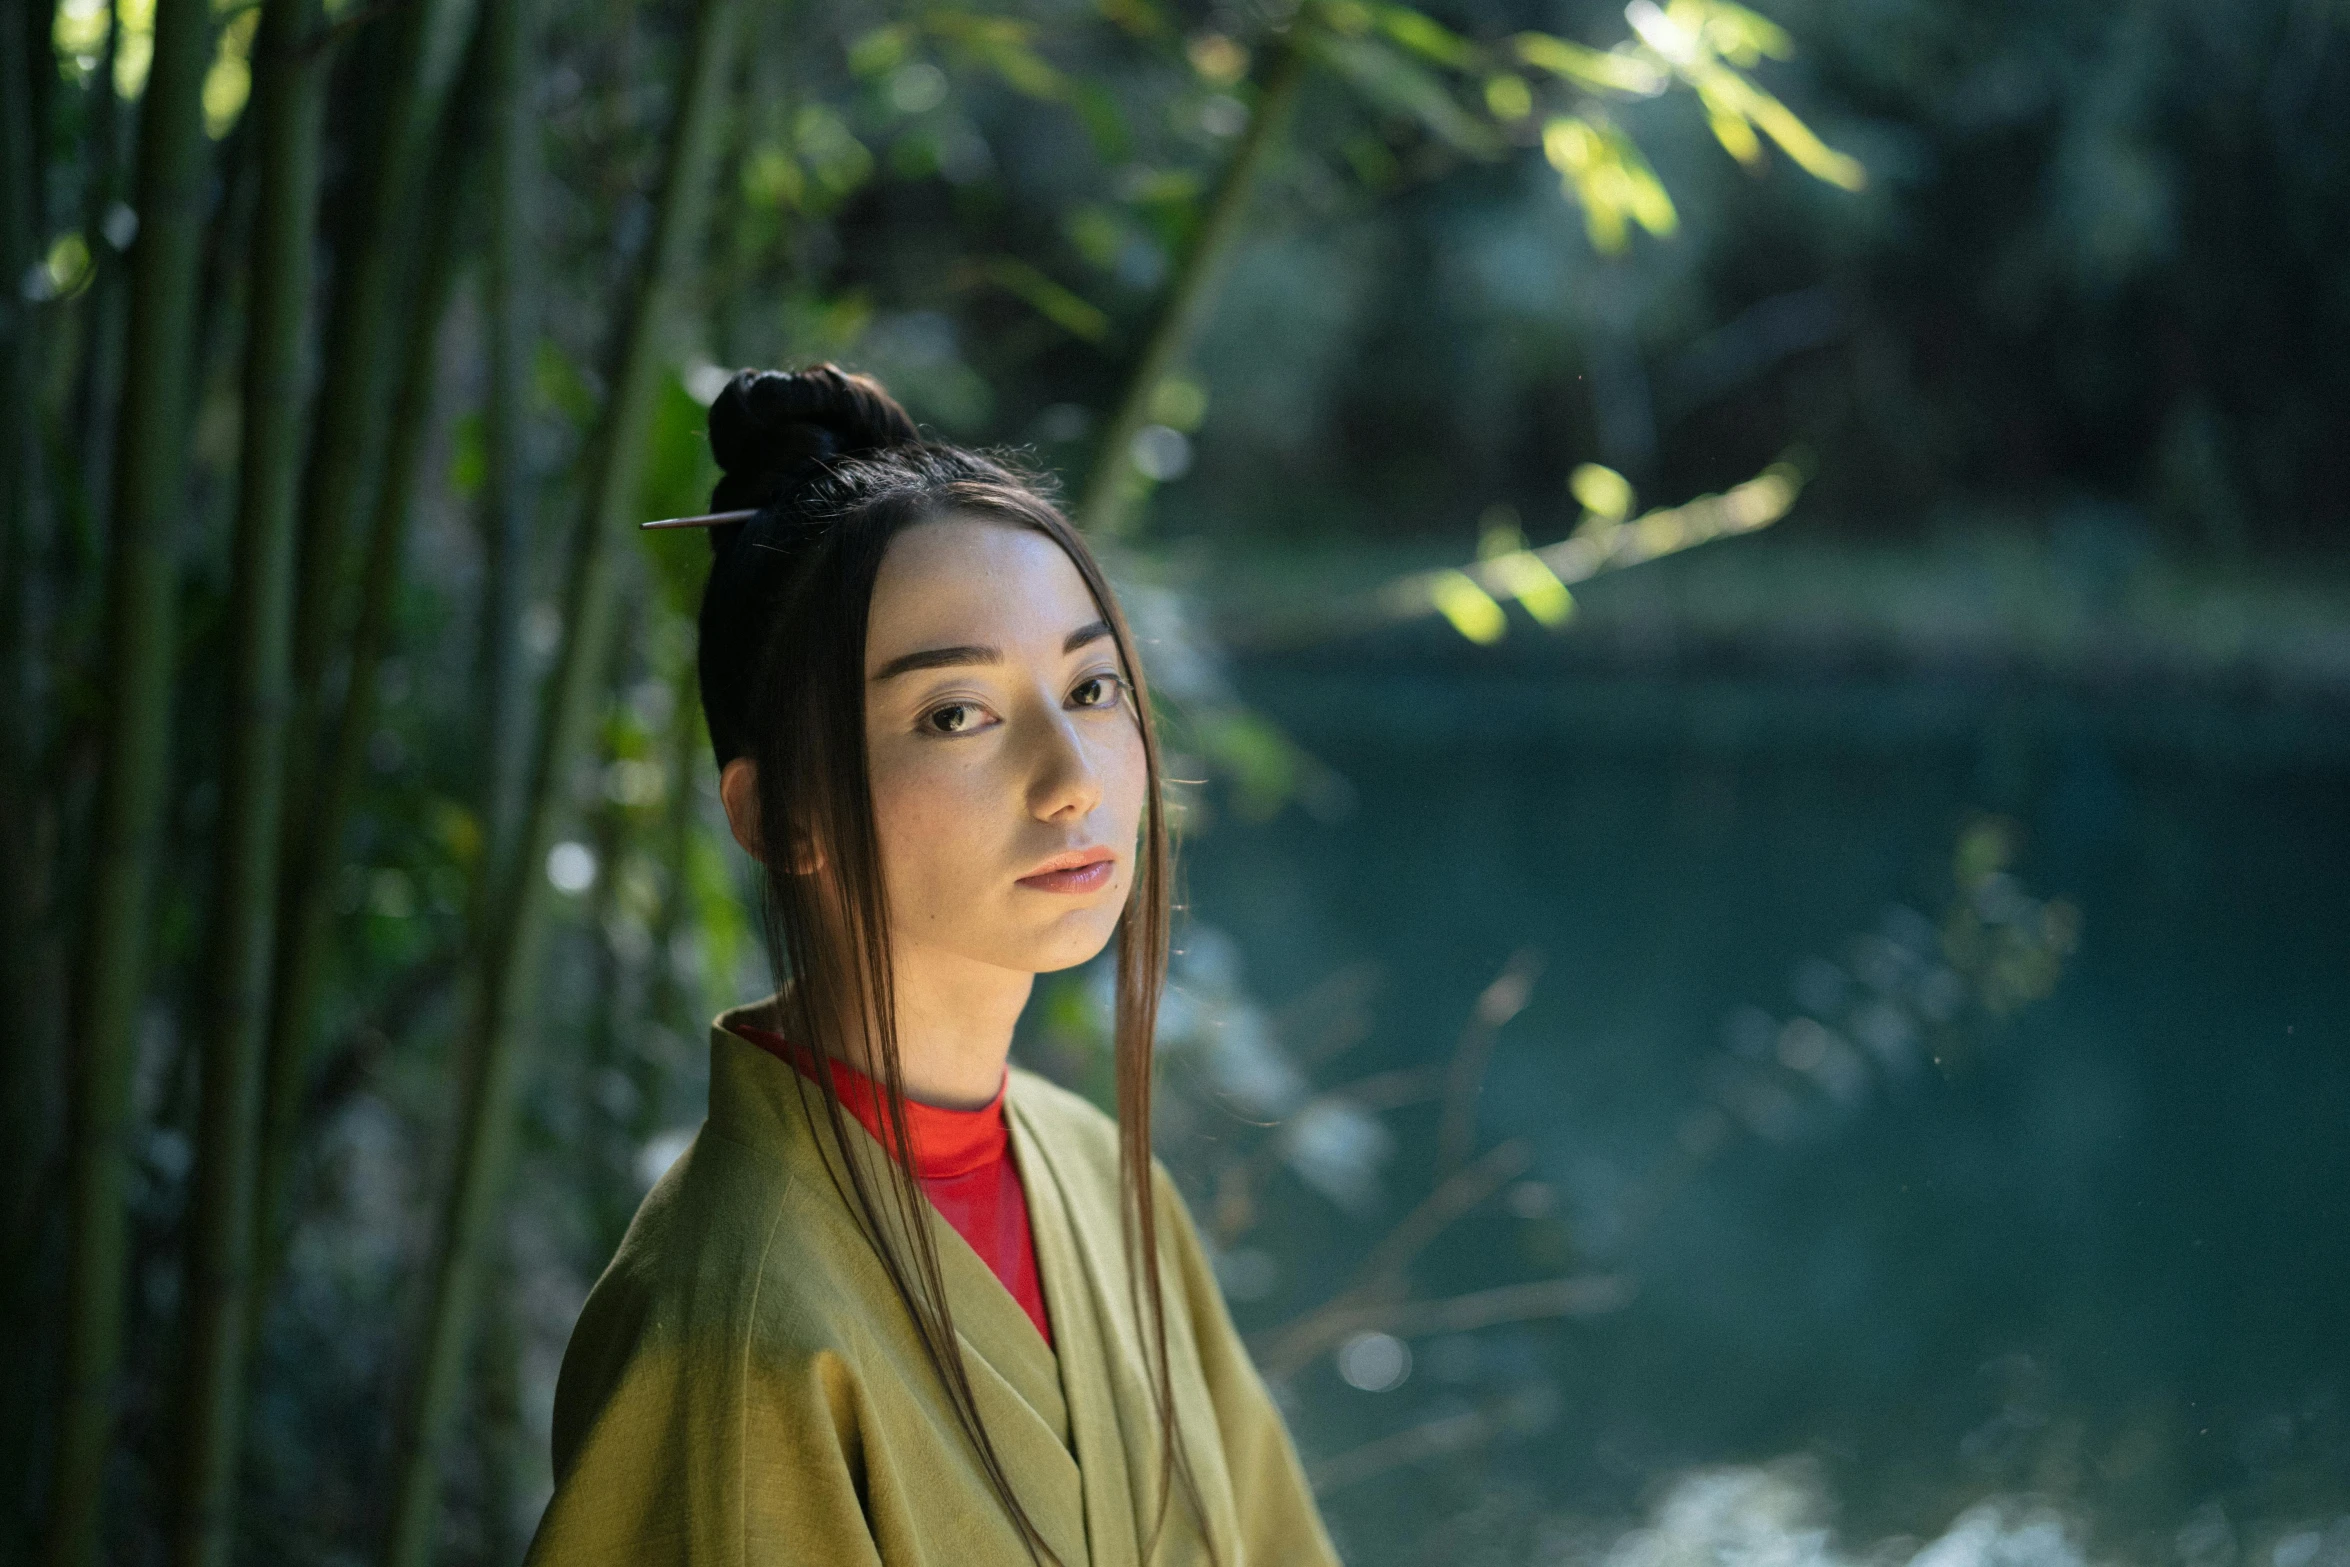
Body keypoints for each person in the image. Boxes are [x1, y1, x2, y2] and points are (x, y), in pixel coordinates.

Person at [523, 365, 1341, 1566]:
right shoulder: (736, 1331)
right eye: (957, 712)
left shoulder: (1101, 1178)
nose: (1072, 779)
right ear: (780, 812)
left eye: (1091, 685)